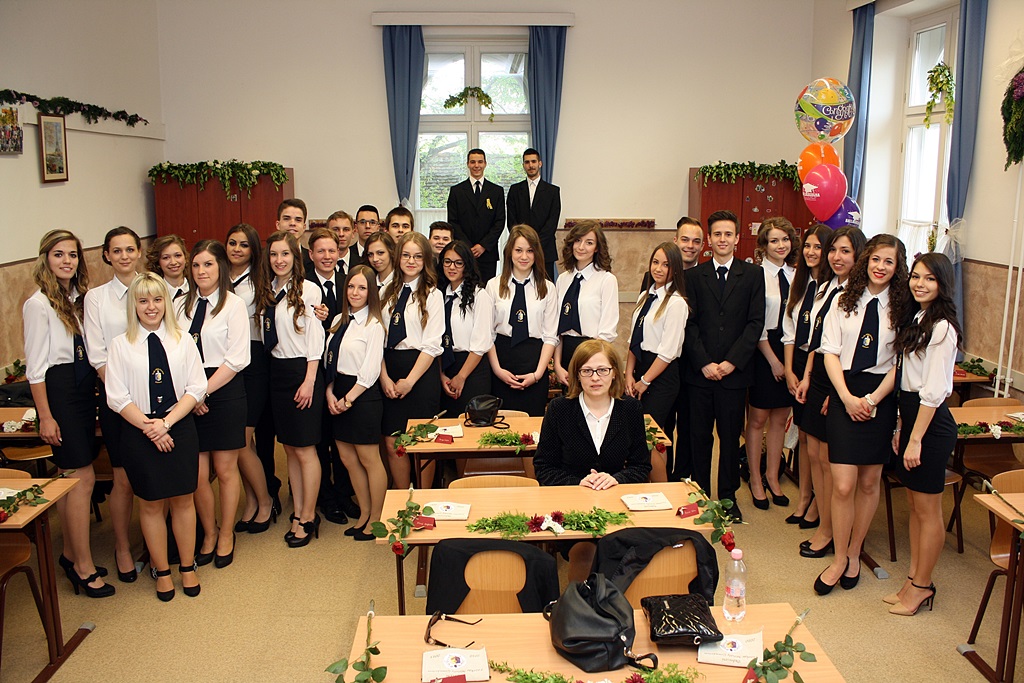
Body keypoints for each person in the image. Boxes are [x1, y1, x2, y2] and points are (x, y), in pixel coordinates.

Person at [814, 234, 908, 595]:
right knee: (842, 484)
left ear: (897, 267)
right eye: (876, 259)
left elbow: (901, 362)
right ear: (866, 260)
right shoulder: (843, 300)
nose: (880, 267)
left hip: (880, 396)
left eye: (889, 261)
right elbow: (830, 352)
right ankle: (838, 558)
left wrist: (871, 400)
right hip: (844, 391)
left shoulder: (903, 306)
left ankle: (855, 553)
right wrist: (847, 398)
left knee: (869, 483)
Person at [105, 272, 207, 601]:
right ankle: (162, 571)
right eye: (143, 300)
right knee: (150, 504)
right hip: (139, 431)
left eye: (157, 299)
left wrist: (166, 423)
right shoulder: (120, 345)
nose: (151, 307)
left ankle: (187, 567)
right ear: (133, 305)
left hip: (179, 426)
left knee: (183, 500)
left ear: (166, 302)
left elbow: (197, 387)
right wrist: (150, 426)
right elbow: (116, 396)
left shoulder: (182, 339)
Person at [24, 230, 113, 598]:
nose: (67, 261)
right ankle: (83, 567)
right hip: (59, 391)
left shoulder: (78, 299)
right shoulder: (38, 304)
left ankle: (70, 555)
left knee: (76, 478)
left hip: (83, 389)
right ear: (45, 258)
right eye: (59, 254)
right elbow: (35, 369)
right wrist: (45, 416)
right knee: (81, 478)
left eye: (73, 255)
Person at [887, 252, 961, 616]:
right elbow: (907, 382)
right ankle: (913, 579)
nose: (920, 284)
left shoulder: (942, 327)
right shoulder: (919, 317)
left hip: (931, 426)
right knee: (915, 508)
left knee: (928, 510)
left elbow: (932, 392)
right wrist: (903, 428)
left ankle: (922, 586)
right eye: (916, 276)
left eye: (929, 278)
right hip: (914, 419)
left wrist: (915, 439)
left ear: (942, 284)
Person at [682, 210, 765, 519]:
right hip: (700, 374)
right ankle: (701, 496)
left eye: (728, 234)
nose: (722, 239)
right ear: (709, 239)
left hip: (734, 375)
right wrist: (704, 362)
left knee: (730, 440)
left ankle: (728, 499)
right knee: (699, 438)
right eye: (717, 234)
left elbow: (755, 323)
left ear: (737, 238)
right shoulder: (694, 277)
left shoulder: (752, 275)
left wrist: (731, 362)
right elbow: (689, 324)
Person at [178, 240, 250, 568]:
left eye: (208, 264)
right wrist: (190, 395)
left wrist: (201, 393)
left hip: (223, 389)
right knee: (196, 473)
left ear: (220, 267)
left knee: (225, 469)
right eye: (196, 265)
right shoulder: (180, 304)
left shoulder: (233, 305)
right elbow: (173, 350)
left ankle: (226, 534)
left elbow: (237, 358)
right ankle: (209, 532)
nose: (201, 271)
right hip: (188, 392)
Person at [798, 226, 866, 559]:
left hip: (840, 382)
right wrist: (808, 376)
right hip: (820, 376)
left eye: (845, 251)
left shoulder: (858, 294)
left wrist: (836, 393)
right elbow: (818, 340)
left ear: (859, 256)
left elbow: (850, 352)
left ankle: (827, 530)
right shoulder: (825, 287)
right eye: (834, 250)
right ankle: (819, 514)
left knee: (828, 460)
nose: (837, 257)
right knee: (813, 453)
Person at [258, 231, 325, 547]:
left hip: (302, 371)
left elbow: (315, 339)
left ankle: (309, 516)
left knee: (305, 449)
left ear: (295, 257)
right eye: (274, 254)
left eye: (285, 254)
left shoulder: (308, 289)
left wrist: (309, 380)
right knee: (289, 448)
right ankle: (297, 511)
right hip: (277, 373)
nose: (279, 260)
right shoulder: (268, 290)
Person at [83, 226, 143, 583]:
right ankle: (122, 547)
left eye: (129, 249)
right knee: (122, 478)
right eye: (116, 250)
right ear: (106, 255)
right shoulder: (96, 298)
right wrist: (123, 395)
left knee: (154, 474)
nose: (124, 256)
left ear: (139, 253)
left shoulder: (153, 287)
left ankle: (156, 543)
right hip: (117, 400)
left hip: (156, 398)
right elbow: (97, 354)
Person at [534, 338, 652, 487]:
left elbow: (641, 466)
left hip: (615, 495)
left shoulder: (630, 408)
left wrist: (617, 479)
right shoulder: (559, 408)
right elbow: (544, 468)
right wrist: (578, 483)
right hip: (571, 496)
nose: (595, 378)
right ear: (577, 375)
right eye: (586, 371)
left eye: (602, 370)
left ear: (614, 373)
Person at [324, 265, 386, 540]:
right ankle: (364, 512)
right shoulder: (339, 319)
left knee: (369, 459)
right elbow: (329, 360)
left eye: (362, 288)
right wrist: (329, 392)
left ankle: (377, 517)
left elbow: (370, 371)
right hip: (337, 392)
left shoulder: (374, 325)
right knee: (348, 459)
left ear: (371, 292)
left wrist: (347, 400)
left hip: (361, 396)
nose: (355, 292)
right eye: (351, 286)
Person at [224, 224, 277, 533]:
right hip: (226, 363)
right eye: (232, 243)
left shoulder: (261, 280)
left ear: (254, 250)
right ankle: (251, 501)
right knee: (239, 443)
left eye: (244, 245)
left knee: (241, 440)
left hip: (255, 361)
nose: (237, 249)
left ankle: (265, 500)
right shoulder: (217, 277)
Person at [380, 231, 444, 488]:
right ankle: (402, 496)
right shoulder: (385, 291)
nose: (411, 261)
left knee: (422, 439)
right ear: (397, 257)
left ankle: (423, 495)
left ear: (426, 260)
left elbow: (432, 345)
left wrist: (409, 381)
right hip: (389, 368)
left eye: (417, 257)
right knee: (392, 441)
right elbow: (376, 337)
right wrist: (384, 378)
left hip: (420, 372)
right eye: (406, 255)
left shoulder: (433, 295)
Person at [781, 224, 833, 528]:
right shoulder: (799, 284)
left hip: (821, 366)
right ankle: (804, 497)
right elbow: (789, 332)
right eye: (808, 247)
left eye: (818, 247)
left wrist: (806, 376)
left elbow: (822, 338)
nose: (812, 252)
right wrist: (789, 370)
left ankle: (816, 502)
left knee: (816, 438)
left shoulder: (831, 289)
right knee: (802, 434)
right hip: (798, 361)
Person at [746, 217, 799, 510]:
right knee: (758, 419)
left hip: (789, 349)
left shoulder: (797, 274)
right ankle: (755, 479)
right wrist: (774, 362)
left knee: (780, 419)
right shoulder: (756, 275)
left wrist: (787, 363)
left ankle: (772, 476)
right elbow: (755, 323)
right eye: (774, 240)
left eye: (785, 239)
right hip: (763, 349)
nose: (780, 245)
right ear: (764, 245)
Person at [305, 226, 357, 525]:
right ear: (311, 254)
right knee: (320, 438)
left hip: (343, 369)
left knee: (342, 438)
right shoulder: (302, 284)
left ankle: (344, 493)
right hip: (313, 369)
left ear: (340, 253)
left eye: (331, 250)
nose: (327, 256)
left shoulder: (348, 282)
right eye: (320, 251)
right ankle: (326, 498)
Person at [626, 242, 688, 483]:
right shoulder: (645, 296)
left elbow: (668, 352)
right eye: (655, 262)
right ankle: (642, 484)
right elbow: (634, 340)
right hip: (640, 368)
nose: (659, 269)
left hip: (661, 376)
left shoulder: (676, 303)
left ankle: (662, 487)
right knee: (636, 434)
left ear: (675, 269)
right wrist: (628, 375)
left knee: (653, 435)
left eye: (666, 264)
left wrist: (644, 381)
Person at [486, 224, 557, 416]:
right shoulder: (493, 286)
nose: (524, 256)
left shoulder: (548, 288)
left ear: (537, 254)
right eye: (518, 250)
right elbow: (488, 334)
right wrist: (497, 370)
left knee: (532, 425)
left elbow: (550, 336)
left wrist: (537, 374)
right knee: (499, 425)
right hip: (501, 361)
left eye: (530, 251)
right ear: (509, 252)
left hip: (534, 362)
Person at [552, 220, 618, 387]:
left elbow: (607, 331)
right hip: (565, 353)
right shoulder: (563, 279)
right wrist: (557, 365)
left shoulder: (606, 280)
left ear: (597, 248)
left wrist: (591, 365)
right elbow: (557, 328)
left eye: (589, 243)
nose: (581, 247)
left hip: (592, 355)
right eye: (578, 241)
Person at [437, 240, 493, 418]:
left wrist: (461, 377)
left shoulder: (479, 295)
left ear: (467, 265)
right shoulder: (438, 295)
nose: (452, 267)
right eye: (447, 261)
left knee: (471, 425)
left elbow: (481, 343)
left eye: (458, 263)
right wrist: (441, 375)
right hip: (445, 366)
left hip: (472, 369)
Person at [669, 216, 703, 482]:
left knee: (691, 427)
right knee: (663, 425)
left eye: (696, 241)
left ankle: (682, 478)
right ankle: (663, 478)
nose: (690, 246)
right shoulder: (656, 275)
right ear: (675, 240)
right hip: (664, 368)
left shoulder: (704, 278)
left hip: (694, 366)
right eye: (685, 239)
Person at [447, 148, 506, 280]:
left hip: (487, 253)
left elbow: (499, 222)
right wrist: (467, 247)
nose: (476, 165)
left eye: (480, 162)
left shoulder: (496, 191)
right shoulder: (457, 191)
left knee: (486, 288)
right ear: (468, 164)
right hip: (463, 253)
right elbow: (453, 222)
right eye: (473, 162)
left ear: (485, 163)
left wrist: (483, 246)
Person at [506, 148, 561, 279]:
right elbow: (512, 221)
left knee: (545, 287)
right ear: (523, 165)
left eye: (533, 161)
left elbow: (552, 222)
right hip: (520, 251)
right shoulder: (514, 190)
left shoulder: (553, 191)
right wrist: (524, 243)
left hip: (545, 249)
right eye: (527, 162)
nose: (530, 165)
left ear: (540, 163)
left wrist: (535, 244)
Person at [147, 234, 189, 300]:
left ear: (185, 257)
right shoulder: (151, 291)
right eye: (166, 257)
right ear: (157, 262)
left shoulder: (198, 288)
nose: (173, 262)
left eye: (177, 255)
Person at [329, 210, 362, 276]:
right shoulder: (319, 264)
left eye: (346, 229)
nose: (341, 234)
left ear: (353, 233)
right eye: (336, 229)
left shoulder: (362, 263)